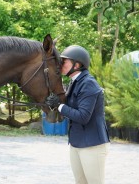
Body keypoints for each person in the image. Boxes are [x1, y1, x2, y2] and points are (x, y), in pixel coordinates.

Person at [45, 45, 110, 184]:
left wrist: (60, 106)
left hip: (92, 145)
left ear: (77, 64)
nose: (60, 64)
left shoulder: (89, 84)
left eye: (64, 61)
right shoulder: (74, 82)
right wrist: (55, 103)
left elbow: (83, 116)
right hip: (77, 143)